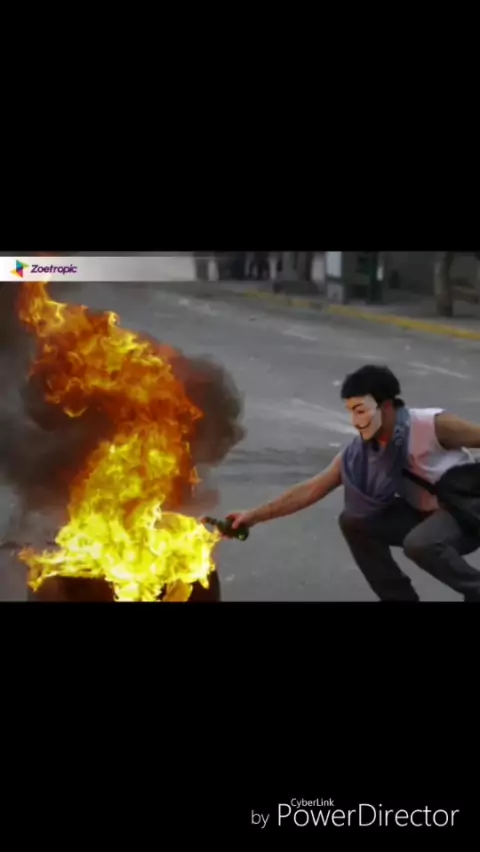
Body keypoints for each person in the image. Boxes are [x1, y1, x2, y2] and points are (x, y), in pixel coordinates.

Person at [228, 365, 480, 601]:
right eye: (351, 411)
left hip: (467, 514)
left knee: (419, 543)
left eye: (361, 411)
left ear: (386, 407)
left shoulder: (432, 425)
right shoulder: (362, 453)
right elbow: (311, 489)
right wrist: (253, 516)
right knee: (355, 521)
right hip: (425, 515)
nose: (355, 421)